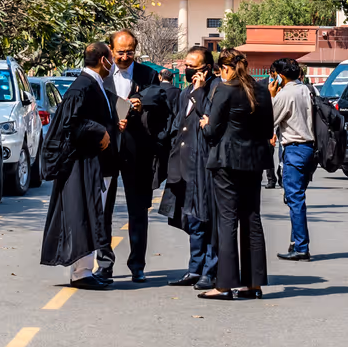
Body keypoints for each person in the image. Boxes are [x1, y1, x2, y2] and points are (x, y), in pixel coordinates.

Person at [40, 42, 116, 290]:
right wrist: (98, 131)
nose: (113, 63)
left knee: (90, 214)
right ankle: (82, 272)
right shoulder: (82, 86)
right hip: (83, 164)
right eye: (111, 58)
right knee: (84, 215)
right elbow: (69, 125)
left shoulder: (95, 84)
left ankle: (84, 270)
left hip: (95, 163)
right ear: (103, 60)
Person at [198, 48, 273, 301]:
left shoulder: (225, 89)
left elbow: (212, 132)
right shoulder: (261, 90)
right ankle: (253, 283)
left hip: (227, 161)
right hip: (253, 161)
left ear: (225, 68)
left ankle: (224, 284)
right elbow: (268, 128)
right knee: (252, 218)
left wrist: (205, 123)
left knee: (227, 220)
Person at [97, 29, 171, 284]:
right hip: (105, 150)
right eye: (120, 52)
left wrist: (141, 101)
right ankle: (104, 264)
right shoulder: (101, 74)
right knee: (102, 209)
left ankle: (137, 265)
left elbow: (159, 98)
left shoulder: (146, 74)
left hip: (136, 150)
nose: (126, 57)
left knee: (138, 210)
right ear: (110, 49)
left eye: (130, 52)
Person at [158, 46, 220, 290]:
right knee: (191, 220)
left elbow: (210, 121)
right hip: (182, 165)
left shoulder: (214, 90)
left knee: (206, 219)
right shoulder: (185, 93)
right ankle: (194, 269)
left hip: (203, 165)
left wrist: (202, 90)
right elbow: (178, 125)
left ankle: (209, 270)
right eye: (186, 66)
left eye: (193, 67)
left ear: (207, 69)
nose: (188, 70)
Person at [269, 57, 316, 261]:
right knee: (297, 196)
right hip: (310, 149)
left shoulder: (286, 94)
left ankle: (301, 247)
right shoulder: (308, 90)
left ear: (280, 76)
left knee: (294, 199)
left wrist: (272, 96)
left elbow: (268, 119)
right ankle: (295, 242)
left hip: (294, 148)